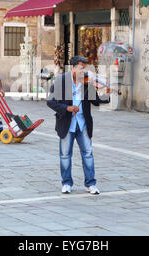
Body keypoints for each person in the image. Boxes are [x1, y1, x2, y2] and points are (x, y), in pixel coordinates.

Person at [47, 56, 110, 195]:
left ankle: (90, 184)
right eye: (81, 68)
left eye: (85, 68)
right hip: (66, 123)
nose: (83, 71)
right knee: (65, 155)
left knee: (88, 154)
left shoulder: (86, 83)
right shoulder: (61, 81)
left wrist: (106, 93)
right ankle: (66, 183)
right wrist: (67, 108)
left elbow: (96, 101)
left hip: (83, 124)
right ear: (73, 68)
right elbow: (50, 102)